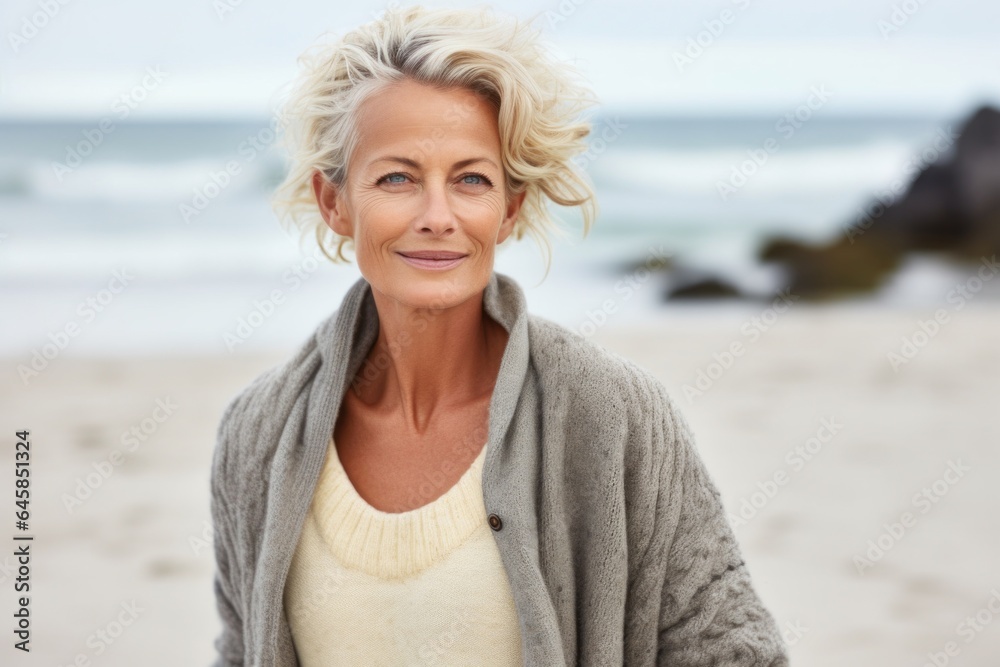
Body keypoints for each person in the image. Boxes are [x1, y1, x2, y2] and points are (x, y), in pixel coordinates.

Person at [209, 5, 789, 666]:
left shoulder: (612, 414)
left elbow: (731, 650)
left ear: (509, 208)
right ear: (333, 202)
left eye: (471, 180)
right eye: (397, 177)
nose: (437, 216)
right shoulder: (258, 433)